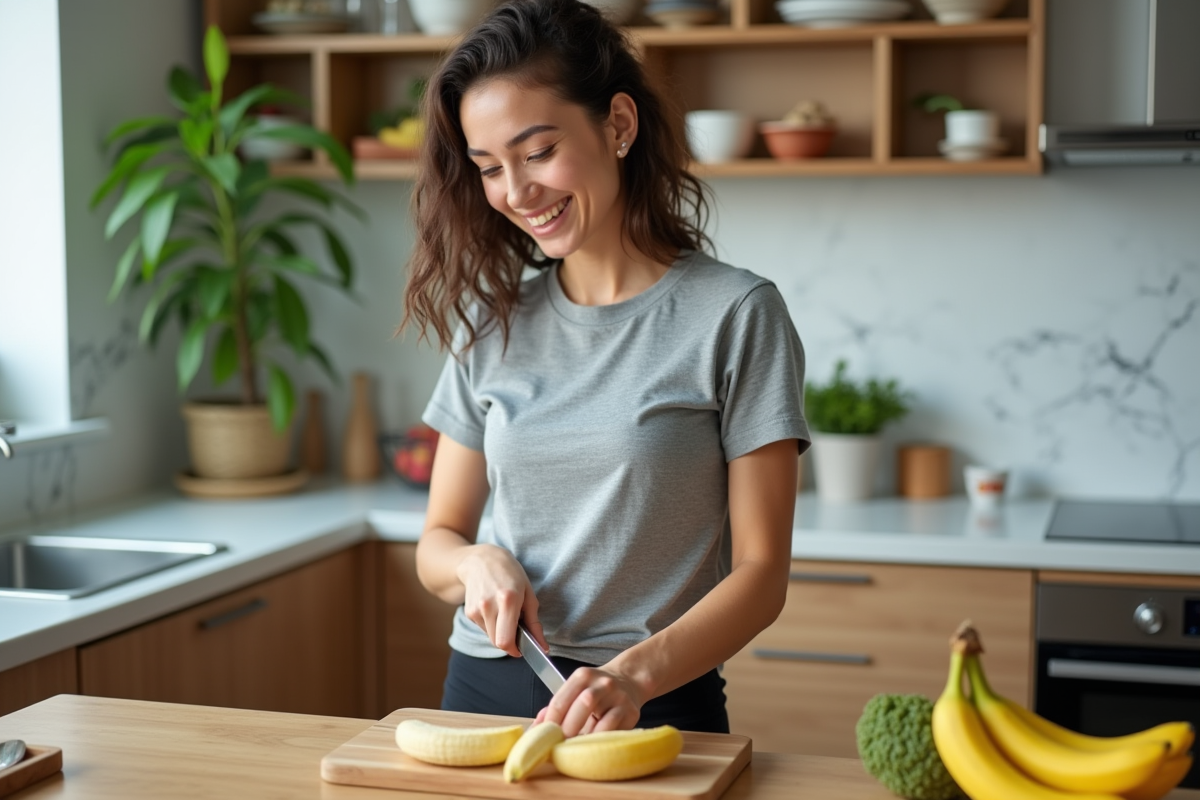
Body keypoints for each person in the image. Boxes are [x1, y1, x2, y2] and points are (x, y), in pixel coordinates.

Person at [401, 0, 810, 738]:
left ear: (618, 125)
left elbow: (761, 575)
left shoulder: (735, 314)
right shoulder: (492, 323)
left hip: (650, 701)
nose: (516, 192)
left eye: (537, 151)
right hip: (483, 688)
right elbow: (438, 538)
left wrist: (634, 676)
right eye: (490, 167)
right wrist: (475, 565)